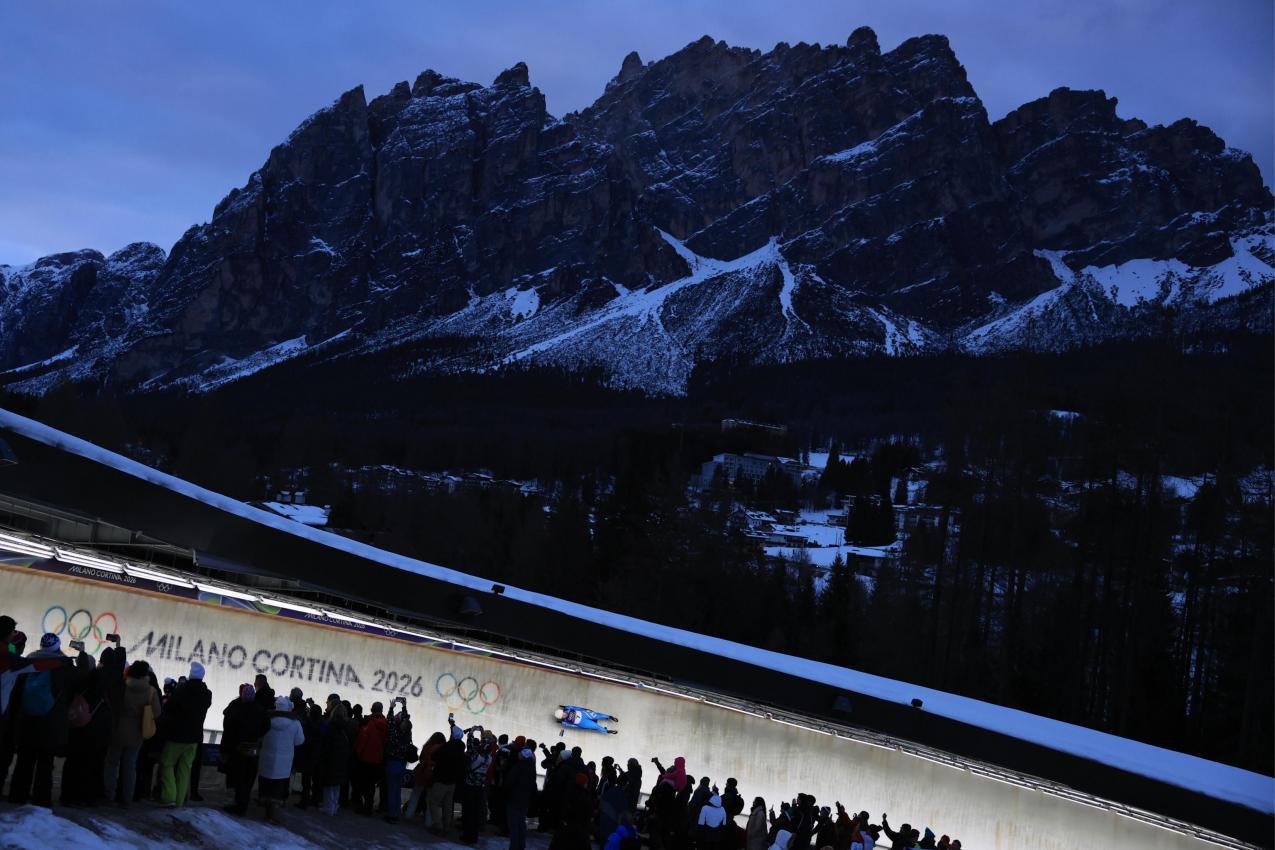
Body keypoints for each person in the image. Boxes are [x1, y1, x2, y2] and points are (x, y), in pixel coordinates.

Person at [6, 633, 83, 807]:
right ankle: (42, 800)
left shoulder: (28, 661)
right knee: (45, 764)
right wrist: (82, 655)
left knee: (24, 762)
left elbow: (16, 692)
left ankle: (17, 795)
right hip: (51, 725)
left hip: (27, 722)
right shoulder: (64, 666)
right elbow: (81, 677)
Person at [104, 659, 162, 807]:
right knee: (130, 765)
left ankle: (108, 794)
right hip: (137, 731)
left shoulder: (123, 686)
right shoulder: (150, 691)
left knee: (112, 763)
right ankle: (127, 798)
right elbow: (157, 712)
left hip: (118, 729)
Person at [156, 661, 211, 807]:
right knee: (185, 769)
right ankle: (180, 800)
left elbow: (169, 708)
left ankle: (169, 796)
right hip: (194, 738)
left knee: (167, 763)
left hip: (177, 736)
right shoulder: (207, 694)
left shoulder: (181, 690)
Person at [220, 683, 268, 815]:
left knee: (238, 776)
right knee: (248, 777)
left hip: (238, 749)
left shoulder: (237, 709)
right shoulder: (260, 709)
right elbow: (266, 726)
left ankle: (237, 805)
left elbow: (228, 729)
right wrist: (258, 737)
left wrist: (226, 748)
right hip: (252, 749)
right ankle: (243, 804)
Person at [258, 695, 305, 824]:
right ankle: (272, 813)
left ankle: (265, 807)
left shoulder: (268, 720)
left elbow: (260, 736)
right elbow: (299, 741)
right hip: (284, 761)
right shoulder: (295, 723)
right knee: (277, 787)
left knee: (266, 783)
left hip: (266, 758)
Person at [428, 720, 467, 833]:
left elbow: (435, 757)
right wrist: (452, 724)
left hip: (441, 780)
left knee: (434, 802)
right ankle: (447, 826)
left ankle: (438, 825)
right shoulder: (461, 749)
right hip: (452, 782)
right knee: (448, 805)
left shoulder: (446, 747)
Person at [317, 695, 352, 816]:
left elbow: (325, 744)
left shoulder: (330, 726)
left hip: (331, 759)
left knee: (328, 784)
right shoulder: (347, 726)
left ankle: (329, 807)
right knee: (336, 785)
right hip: (342, 759)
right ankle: (334, 806)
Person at [353, 700, 388, 815]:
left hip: (365, 758)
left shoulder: (369, 723)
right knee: (371, 784)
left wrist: (357, 752)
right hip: (377, 759)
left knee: (363, 782)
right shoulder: (385, 723)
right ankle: (369, 805)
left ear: (372, 709)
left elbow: (363, 738)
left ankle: (364, 806)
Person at [383, 697, 414, 823]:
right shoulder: (408, 735)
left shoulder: (395, 733)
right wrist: (404, 706)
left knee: (392, 789)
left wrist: (391, 707)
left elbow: (389, 720)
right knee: (397, 790)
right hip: (402, 764)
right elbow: (406, 720)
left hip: (393, 763)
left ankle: (392, 815)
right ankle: (396, 812)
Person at [460, 726, 491, 843]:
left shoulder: (475, 756)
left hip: (470, 787)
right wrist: (482, 732)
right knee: (476, 812)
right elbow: (486, 745)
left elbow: (470, 744)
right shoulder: (489, 759)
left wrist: (472, 732)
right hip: (480, 788)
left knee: (468, 812)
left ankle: (467, 835)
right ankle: (474, 836)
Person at [407, 730, 446, 822]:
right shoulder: (442, 749)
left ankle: (409, 814)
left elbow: (421, 758)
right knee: (430, 800)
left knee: (415, 795)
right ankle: (428, 821)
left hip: (422, 772)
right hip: (432, 775)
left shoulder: (427, 746)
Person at [505, 745, 537, 850]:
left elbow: (509, 782)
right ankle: (520, 846)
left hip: (514, 799)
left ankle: (513, 847)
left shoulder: (519, 767)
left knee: (514, 825)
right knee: (521, 824)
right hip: (524, 800)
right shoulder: (531, 768)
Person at [554, 705, 619, 735]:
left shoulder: (568, 709)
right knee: (595, 726)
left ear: (563, 711)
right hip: (583, 722)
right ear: (561, 717)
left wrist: (585, 710)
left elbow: (576, 708)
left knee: (597, 715)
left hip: (584, 714)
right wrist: (562, 723)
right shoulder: (565, 721)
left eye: (563, 713)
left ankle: (609, 717)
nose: (564, 715)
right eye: (563, 716)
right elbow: (572, 725)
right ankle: (607, 731)